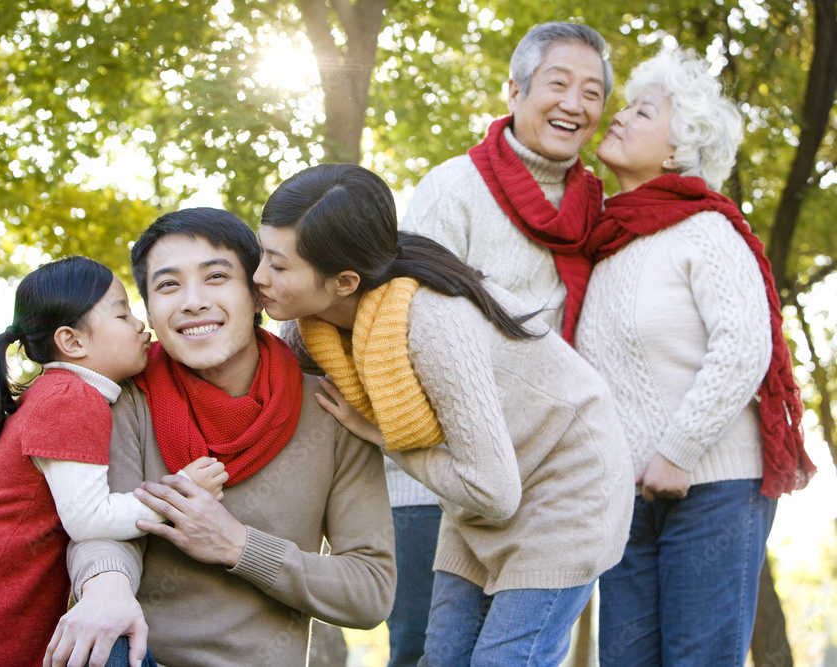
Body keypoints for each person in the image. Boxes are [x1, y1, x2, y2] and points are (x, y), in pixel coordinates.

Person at [254, 163, 633, 666]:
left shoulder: (432, 322)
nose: (259, 277)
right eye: (262, 255)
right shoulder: (317, 331)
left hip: (566, 486)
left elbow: (495, 493)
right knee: (442, 657)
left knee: (504, 660)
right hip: (482, 486)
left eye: (279, 267)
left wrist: (379, 434)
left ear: (344, 281)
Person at [44, 208, 396, 667]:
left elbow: (369, 590)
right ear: (150, 311)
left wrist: (237, 545)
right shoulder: (125, 397)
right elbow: (102, 528)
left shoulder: (331, 410)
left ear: (256, 294)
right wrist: (105, 588)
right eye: (168, 285)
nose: (192, 302)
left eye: (215, 277)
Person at [573, 49, 816, 665]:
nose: (619, 117)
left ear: (679, 150)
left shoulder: (706, 230)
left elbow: (744, 346)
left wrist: (677, 451)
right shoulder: (605, 241)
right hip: (626, 500)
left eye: (641, 110)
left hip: (714, 486)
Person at [393, 23, 613, 663]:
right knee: (423, 649)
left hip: (545, 476)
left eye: (593, 92)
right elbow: (404, 322)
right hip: (438, 474)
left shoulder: (596, 213)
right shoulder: (453, 188)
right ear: (513, 89)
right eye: (559, 83)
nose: (575, 104)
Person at [0, 256, 227, 667]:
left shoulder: (60, 394)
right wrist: (179, 493)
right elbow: (90, 519)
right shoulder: (72, 399)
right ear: (73, 341)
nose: (142, 325)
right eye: (122, 313)